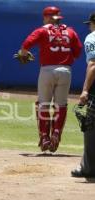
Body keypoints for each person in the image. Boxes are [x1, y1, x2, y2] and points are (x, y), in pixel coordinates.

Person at [18, 6, 82, 152]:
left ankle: (44, 136)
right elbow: (77, 52)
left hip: (47, 70)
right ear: (58, 18)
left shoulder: (42, 30)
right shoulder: (70, 31)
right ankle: (57, 132)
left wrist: (23, 53)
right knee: (61, 105)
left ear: (47, 17)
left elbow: (26, 45)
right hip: (65, 70)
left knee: (43, 104)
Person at [71, 13, 95, 178]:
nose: (89, 26)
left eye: (90, 24)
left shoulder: (92, 37)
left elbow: (93, 64)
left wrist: (85, 90)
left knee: (91, 128)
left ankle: (88, 168)